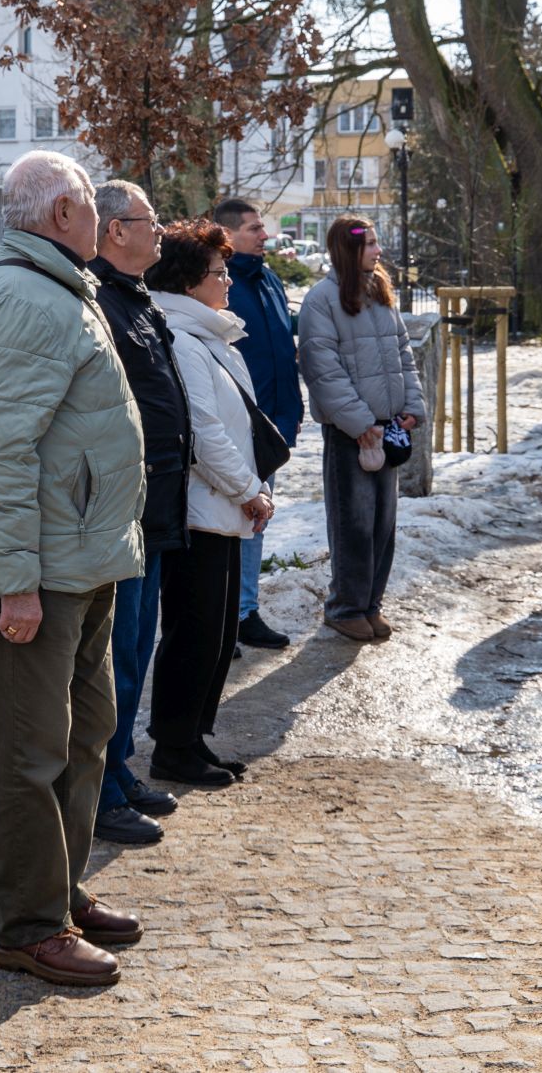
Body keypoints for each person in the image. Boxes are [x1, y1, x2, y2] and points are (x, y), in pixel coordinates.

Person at [0, 150, 146, 988]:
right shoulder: (24, 297)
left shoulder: (55, 285)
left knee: (85, 733)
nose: (101, 216)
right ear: (64, 212)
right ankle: (30, 926)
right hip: (44, 569)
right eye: (92, 204)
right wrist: (15, 581)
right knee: (32, 751)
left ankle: (59, 891)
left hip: (79, 556)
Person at [147, 219, 275, 786]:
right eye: (218, 273)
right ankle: (173, 747)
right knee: (194, 632)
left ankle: (193, 739)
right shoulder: (183, 338)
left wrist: (249, 488)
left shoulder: (207, 334)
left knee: (218, 634)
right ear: (187, 281)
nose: (227, 281)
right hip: (201, 509)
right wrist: (248, 490)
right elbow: (202, 432)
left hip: (223, 505)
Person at [85, 181, 188, 846]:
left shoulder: (135, 297)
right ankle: (99, 787)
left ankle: (118, 769)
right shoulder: (100, 301)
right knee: (115, 654)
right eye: (151, 221)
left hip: (155, 507)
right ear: (115, 230)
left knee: (136, 646)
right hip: (123, 506)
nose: (161, 232)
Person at [297, 218, 426, 642]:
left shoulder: (380, 292)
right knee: (353, 523)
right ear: (348, 249)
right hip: (350, 433)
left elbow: (403, 355)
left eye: (375, 242)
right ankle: (346, 607)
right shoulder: (321, 300)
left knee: (382, 524)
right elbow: (323, 370)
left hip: (388, 429)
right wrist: (360, 423)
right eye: (369, 243)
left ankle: (371, 603)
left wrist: (411, 407)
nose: (378, 250)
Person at [214, 198, 301, 651]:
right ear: (227, 235)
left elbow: (282, 348)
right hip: (233, 427)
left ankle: (244, 612)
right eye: (254, 228)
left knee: (256, 522)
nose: (265, 235)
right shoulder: (217, 284)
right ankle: (220, 620)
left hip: (271, 427)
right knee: (225, 525)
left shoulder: (267, 279)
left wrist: (291, 413)